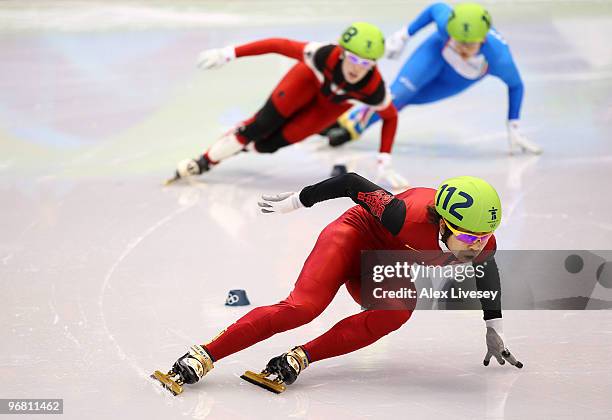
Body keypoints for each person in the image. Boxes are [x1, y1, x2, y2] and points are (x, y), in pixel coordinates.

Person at [151, 174, 522, 396]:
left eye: (483, 237)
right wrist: (298, 201)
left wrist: (495, 326)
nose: (476, 246)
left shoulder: (481, 242)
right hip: (350, 238)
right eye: (468, 238)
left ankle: (299, 357)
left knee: (396, 313)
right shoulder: (402, 214)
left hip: (382, 266)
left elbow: (486, 272)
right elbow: (350, 183)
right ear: (442, 222)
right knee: (303, 308)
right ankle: (204, 354)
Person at [167, 22, 407, 187]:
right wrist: (229, 53)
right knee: (261, 125)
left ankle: (237, 142)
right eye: (353, 58)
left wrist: (384, 159)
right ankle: (203, 162)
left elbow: (391, 116)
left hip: (328, 108)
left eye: (366, 63)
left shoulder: (375, 90)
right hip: (306, 81)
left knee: (269, 146)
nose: (357, 68)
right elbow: (277, 44)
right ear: (342, 52)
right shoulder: (322, 54)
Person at [323, 2, 542, 155]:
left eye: (470, 45)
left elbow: (516, 85)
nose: (463, 49)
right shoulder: (447, 23)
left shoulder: (500, 58)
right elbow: (434, 7)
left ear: (483, 39)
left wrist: (513, 124)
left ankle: (347, 121)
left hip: (459, 78)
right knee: (399, 94)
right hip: (435, 53)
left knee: (408, 100)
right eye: (458, 41)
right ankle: (348, 127)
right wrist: (404, 35)